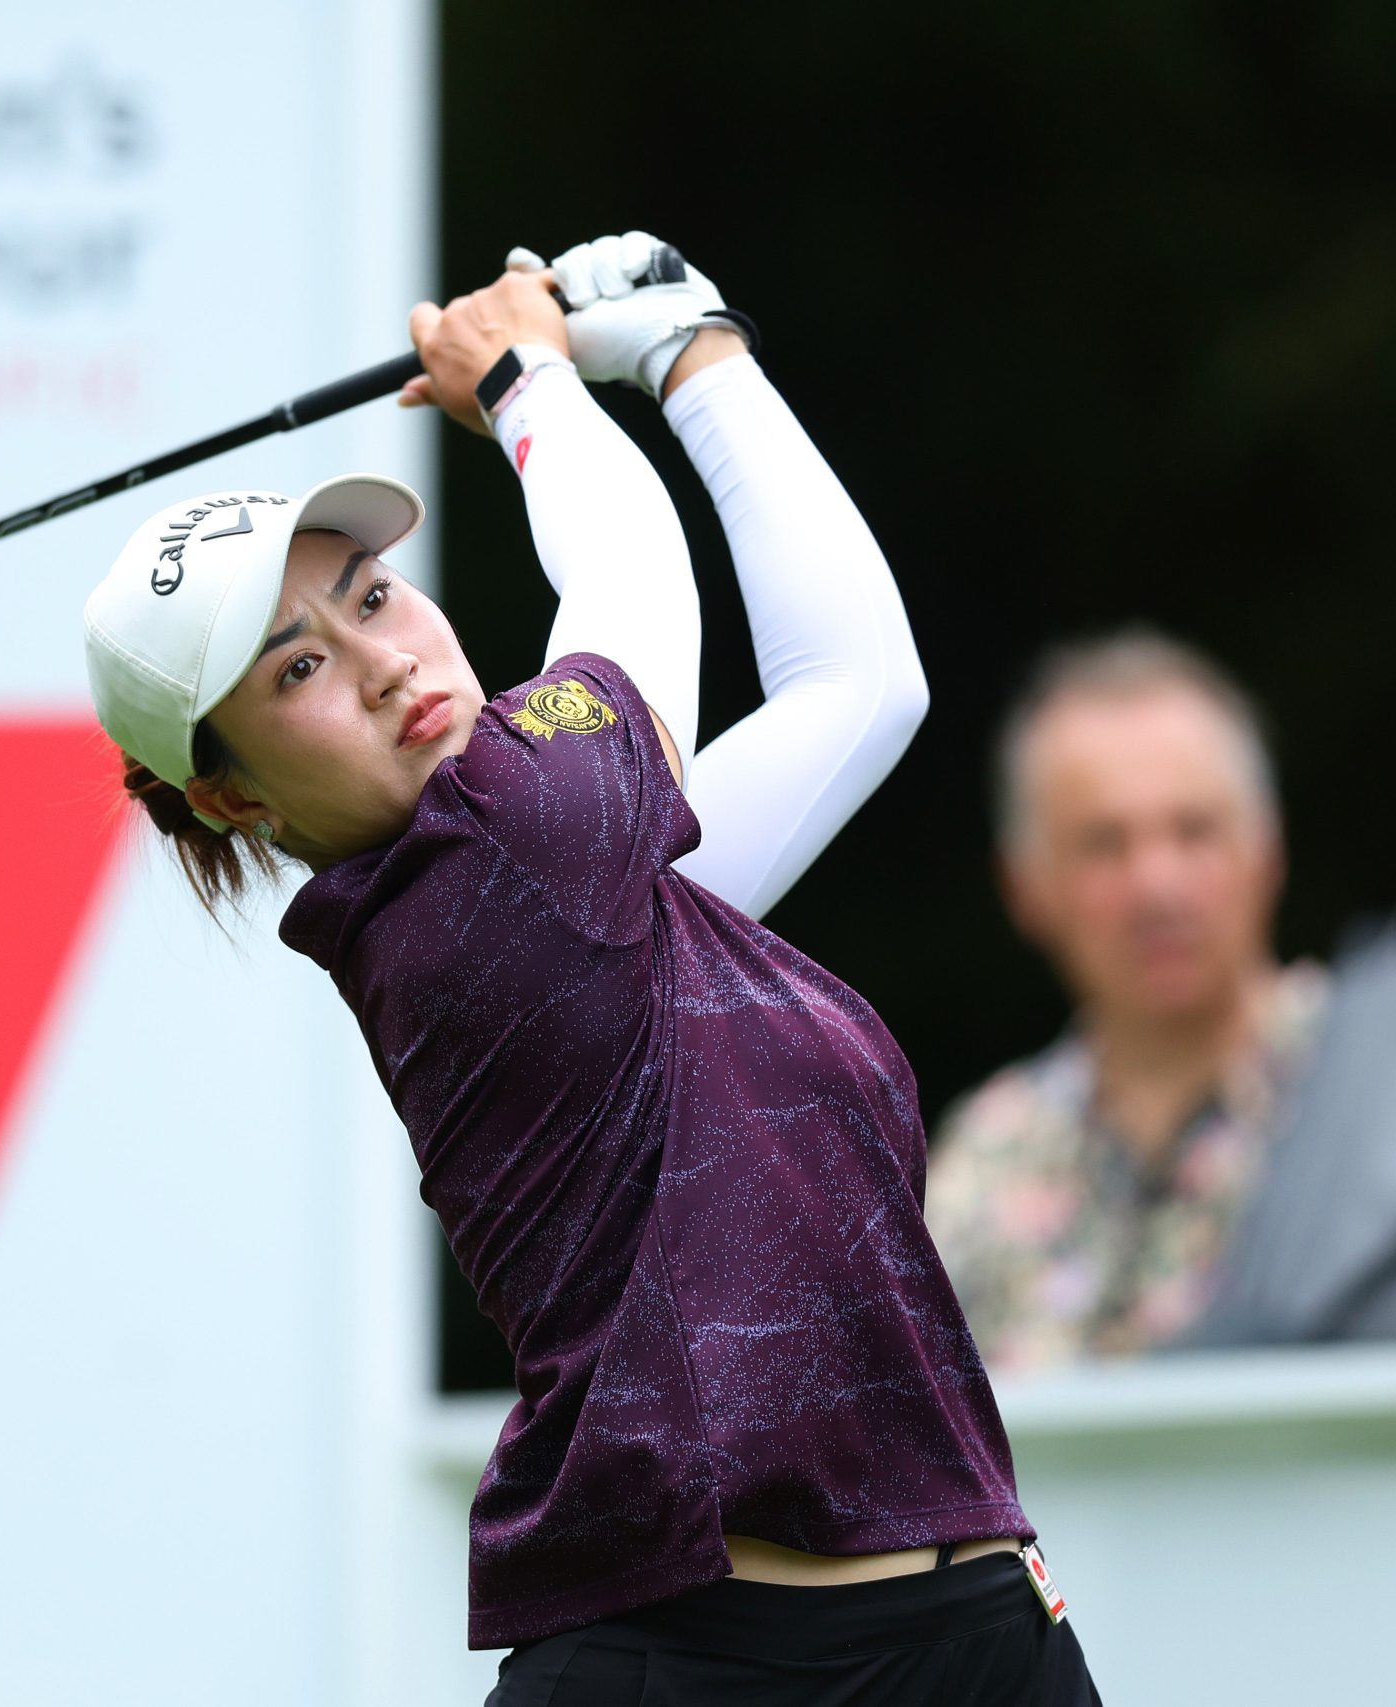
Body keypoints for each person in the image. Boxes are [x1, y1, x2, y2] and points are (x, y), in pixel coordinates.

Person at [80, 233, 1098, 1703]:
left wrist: (696, 355)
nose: (380, 659)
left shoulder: (592, 889)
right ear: (231, 793)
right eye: (295, 668)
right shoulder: (510, 854)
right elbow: (633, 583)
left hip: (972, 1633)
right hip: (691, 1669)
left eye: (370, 595)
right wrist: (522, 375)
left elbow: (860, 685)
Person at [923, 633, 1330, 1369]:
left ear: (1268, 850)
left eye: (1195, 830)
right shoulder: (982, 1162)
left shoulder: (1370, 1096)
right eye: (1104, 844)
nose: (1157, 885)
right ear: (1025, 886)